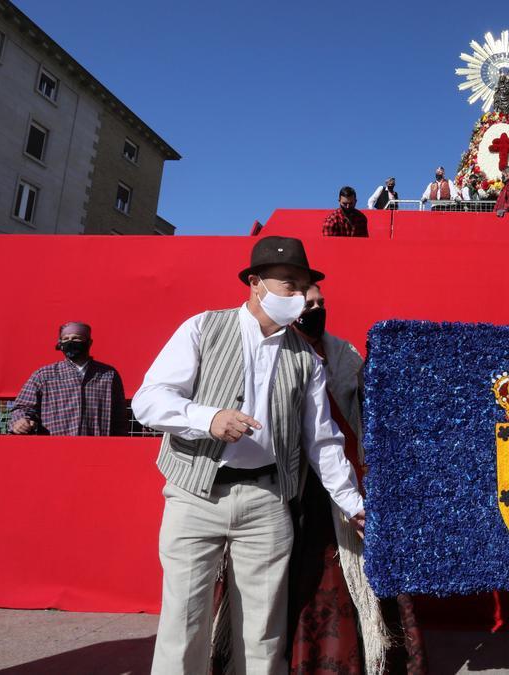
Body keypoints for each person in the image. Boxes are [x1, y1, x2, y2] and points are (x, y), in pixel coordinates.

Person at [133, 236, 365, 675]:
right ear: (255, 283)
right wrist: (208, 417)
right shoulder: (203, 328)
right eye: (288, 286)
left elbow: (323, 441)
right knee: (183, 624)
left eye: (303, 287)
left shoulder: (307, 360)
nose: (299, 297)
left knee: (262, 634)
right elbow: (148, 400)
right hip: (195, 495)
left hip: (267, 501)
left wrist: (352, 503)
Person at [210, 283, 428, 674]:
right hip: (285, 488)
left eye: (321, 303)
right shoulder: (273, 352)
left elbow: (362, 414)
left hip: (337, 485)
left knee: (346, 577)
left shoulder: (344, 353)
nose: (316, 309)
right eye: (308, 304)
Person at [8, 321, 128, 436]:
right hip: (54, 449)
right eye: (65, 339)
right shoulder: (44, 375)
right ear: (60, 344)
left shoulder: (108, 375)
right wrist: (20, 421)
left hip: (98, 449)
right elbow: (23, 408)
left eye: (76, 338)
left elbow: (120, 417)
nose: (70, 342)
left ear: (89, 342)